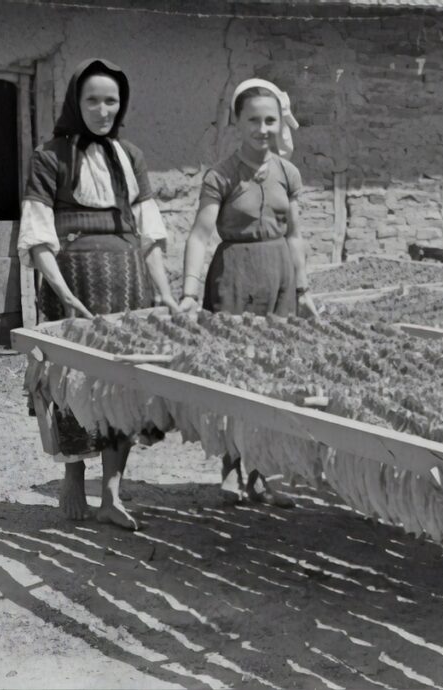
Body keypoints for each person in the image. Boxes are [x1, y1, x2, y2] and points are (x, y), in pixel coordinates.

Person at [19, 58, 180, 530]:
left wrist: (165, 295)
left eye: (111, 100)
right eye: (92, 99)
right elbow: (38, 234)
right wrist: (64, 294)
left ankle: (112, 491)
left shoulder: (130, 156)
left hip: (128, 282)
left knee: (121, 386)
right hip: (75, 284)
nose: (102, 109)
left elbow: (150, 235)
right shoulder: (50, 156)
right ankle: (73, 473)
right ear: (75, 102)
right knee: (71, 381)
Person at [180, 78, 317, 506]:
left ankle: (263, 473)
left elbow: (295, 235)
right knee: (233, 373)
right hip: (234, 275)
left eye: (270, 120)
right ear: (237, 122)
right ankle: (231, 468)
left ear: (279, 124)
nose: (262, 129)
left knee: (274, 374)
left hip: (278, 276)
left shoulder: (287, 173)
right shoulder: (221, 175)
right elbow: (201, 235)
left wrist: (303, 288)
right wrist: (189, 291)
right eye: (253, 120)